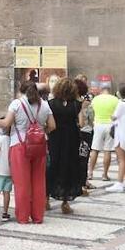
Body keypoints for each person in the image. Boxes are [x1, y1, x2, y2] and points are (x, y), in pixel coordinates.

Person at [0, 81, 55, 224]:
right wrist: (40, 132)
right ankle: (38, 216)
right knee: (38, 182)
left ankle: (23, 217)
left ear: (21, 90)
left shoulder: (16, 104)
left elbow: (7, 123)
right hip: (40, 146)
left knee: (22, 183)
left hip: (19, 145)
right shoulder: (45, 104)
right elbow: (52, 126)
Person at [46, 77, 83, 212]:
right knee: (68, 167)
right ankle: (65, 203)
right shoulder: (76, 105)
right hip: (71, 139)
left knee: (53, 166)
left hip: (55, 138)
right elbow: (82, 123)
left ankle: (46, 199)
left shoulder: (50, 103)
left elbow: (47, 123)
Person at [86, 82, 118, 181]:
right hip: (110, 125)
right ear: (110, 89)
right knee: (107, 150)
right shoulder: (115, 99)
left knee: (95, 149)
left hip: (98, 124)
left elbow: (91, 112)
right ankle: (104, 174)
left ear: (101, 89)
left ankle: (90, 173)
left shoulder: (96, 99)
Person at [75, 77, 94, 193]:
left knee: (77, 158)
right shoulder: (87, 104)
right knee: (84, 158)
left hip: (77, 133)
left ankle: (81, 183)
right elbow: (92, 119)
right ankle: (82, 182)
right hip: (86, 133)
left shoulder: (69, 103)